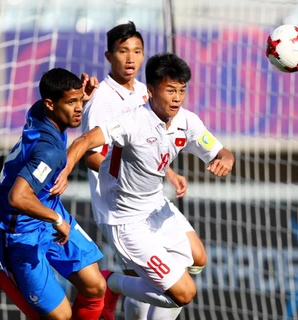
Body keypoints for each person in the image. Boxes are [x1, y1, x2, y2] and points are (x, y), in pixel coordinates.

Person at [51, 22, 207, 320]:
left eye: (137, 51)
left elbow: (151, 145)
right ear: (110, 56)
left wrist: (168, 173)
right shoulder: (101, 98)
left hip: (149, 201)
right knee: (167, 289)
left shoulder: (145, 91)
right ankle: (115, 287)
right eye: (123, 51)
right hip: (118, 204)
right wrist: (132, 173)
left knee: (193, 261)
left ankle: (120, 292)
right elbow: (93, 156)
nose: (131, 58)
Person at [0, 68, 109, 320]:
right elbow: (18, 197)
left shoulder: (39, 111)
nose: (79, 108)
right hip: (21, 229)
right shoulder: (49, 151)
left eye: (80, 101)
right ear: (50, 104)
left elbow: (63, 101)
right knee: (59, 316)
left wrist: (80, 97)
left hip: (48, 209)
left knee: (95, 287)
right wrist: (57, 220)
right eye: (72, 103)